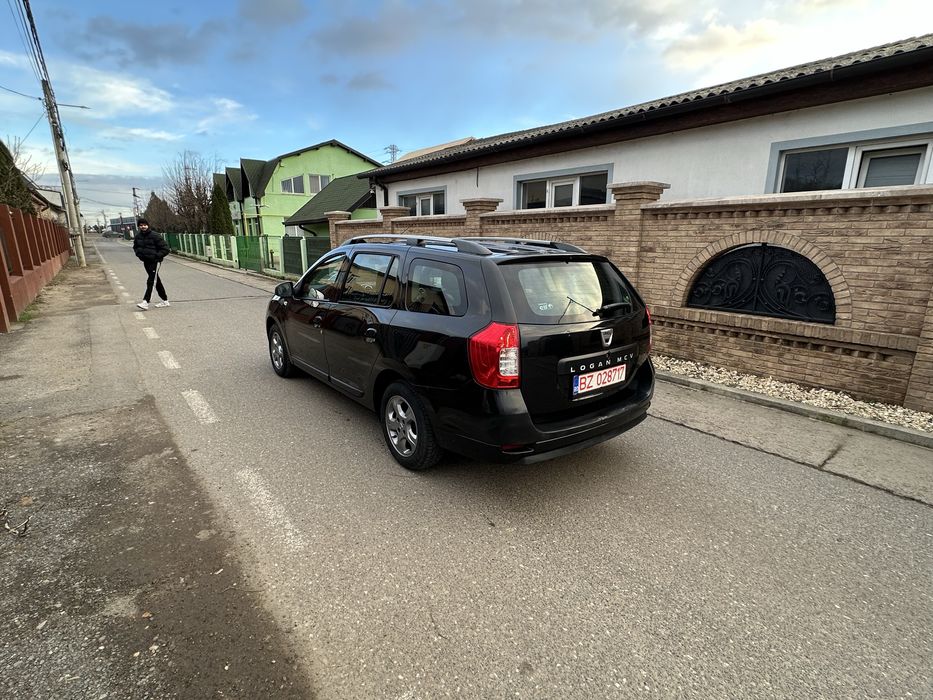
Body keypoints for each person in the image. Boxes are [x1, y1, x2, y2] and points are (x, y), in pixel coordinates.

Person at [133, 218, 170, 310]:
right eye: (141, 225)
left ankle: (145, 301)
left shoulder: (155, 235)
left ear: (148, 225)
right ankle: (165, 300)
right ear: (139, 226)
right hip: (146, 261)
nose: (143, 227)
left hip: (155, 262)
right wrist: (139, 255)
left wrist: (156, 257)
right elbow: (135, 247)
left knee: (151, 281)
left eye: (145, 225)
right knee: (156, 280)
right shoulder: (138, 236)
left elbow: (166, 249)